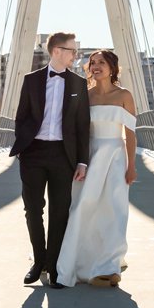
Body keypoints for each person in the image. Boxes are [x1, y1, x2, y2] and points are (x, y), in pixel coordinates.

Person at [9, 32, 91, 288]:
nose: (75, 55)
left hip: (62, 156)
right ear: (56, 50)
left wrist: (82, 161)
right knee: (33, 210)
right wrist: (23, 147)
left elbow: (82, 127)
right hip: (32, 153)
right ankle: (38, 261)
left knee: (60, 212)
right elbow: (21, 116)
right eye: (71, 50)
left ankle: (54, 267)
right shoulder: (31, 80)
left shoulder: (79, 84)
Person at [55, 48, 137, 288]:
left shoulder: (124, 95)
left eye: (101, 62)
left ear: (112, 67)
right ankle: (82, 260)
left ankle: (109, 267)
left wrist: (131, 166)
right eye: (92, 63)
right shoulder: (85, 95)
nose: (96, 66)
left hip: (115, 156)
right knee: (83, 207)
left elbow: (130, 134)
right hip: (89, 157)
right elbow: (75, 131)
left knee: (114, 209)